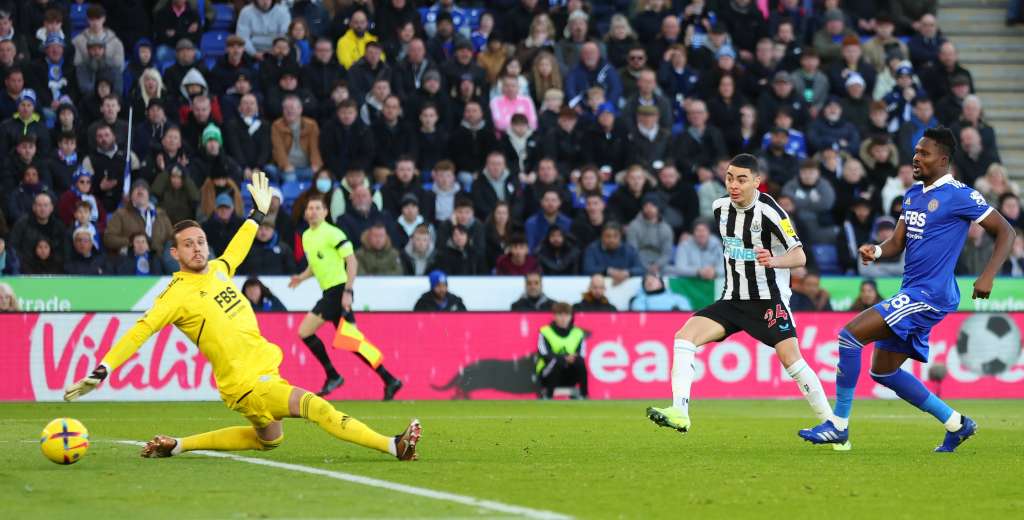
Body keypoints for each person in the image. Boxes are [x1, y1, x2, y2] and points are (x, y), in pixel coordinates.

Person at [64, 172, 421, 462]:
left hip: (260, 374)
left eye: (201, 241)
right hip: (248, 382)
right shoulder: (174, 295)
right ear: (174, 253)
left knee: (269, 439)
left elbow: (239, 244)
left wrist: (257, 214)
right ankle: (393, 445)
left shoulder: (219, 269)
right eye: (188, 244)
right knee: (316, 407)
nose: (197, 248)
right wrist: (104, 369)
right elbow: (141, 331)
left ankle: (179, 445)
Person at [800, 127, 1016, 452]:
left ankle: (838, 425)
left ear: (942, 159)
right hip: (913, 291)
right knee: (883, 371)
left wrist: (987, 276)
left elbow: (1006, 231)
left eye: (924, 153)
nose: (916, 158)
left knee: (849, 337)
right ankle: (957, 424)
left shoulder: (960, 195)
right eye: (915, 151)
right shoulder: (914, 194)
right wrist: (876, 250)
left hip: (930, 294)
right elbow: (897, 242)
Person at [646, 154, 833, 437]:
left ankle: (832, 424)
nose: (734, 185)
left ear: (757, 182)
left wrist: (774, 261)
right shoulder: (719, 208)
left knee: (791, 360)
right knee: (684, 338)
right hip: (733, 299)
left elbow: (800, 256)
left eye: (742, 179)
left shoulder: (771, 212)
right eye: (730, 178)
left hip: (768, 300)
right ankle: (680, 412)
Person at [288, 195, 404, 400]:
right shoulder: (306, 236)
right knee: (353, 341)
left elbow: (352, 261)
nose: (313, 212)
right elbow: (314, 266)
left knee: (305, 331)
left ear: (325, 212)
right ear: (305, 213)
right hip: (330, 292)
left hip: (338, 291)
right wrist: (301, 277)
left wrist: (348, 292)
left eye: (317, 208)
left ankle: (333, 375)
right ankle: (390, 379)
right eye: (310, 208)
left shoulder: (333, 233)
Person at [535, 302, 588, 399]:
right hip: (548, 373)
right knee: (557, 361)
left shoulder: (578, 332)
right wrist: (563, 358)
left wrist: (571, 358)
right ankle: (548, 394)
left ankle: (584, 394)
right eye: (560, 315)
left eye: (566, 315)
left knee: (579, 361)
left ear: (571, 317)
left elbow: (581, 354)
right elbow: (544, 353)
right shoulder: (545, 331)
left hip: (569, 372)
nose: (563, 319)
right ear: (554, 316)